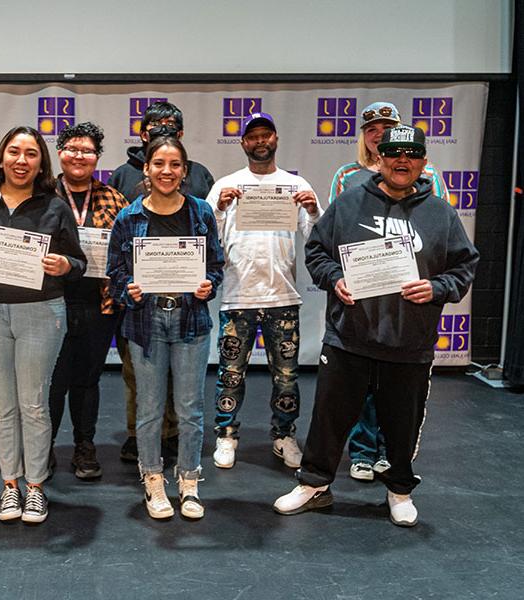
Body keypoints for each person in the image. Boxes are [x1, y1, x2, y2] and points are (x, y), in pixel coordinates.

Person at [274, 125, 478, 527]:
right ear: (380, 158)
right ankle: (314, 484)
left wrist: (437, 287)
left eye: (411, 154)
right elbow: (316, 251)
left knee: (403, 424)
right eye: (394, 153)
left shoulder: (440, 213)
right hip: (350, 337)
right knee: (329, 418)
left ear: (422, 162)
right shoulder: (350, 203)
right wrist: (335, 278)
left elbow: (464, 265)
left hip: (409, 343)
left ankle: (399, 490)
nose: (402, 161)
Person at [0, 126, 86, 523]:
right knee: (3, 408)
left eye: (30, 154)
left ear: (40, 161)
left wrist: (65, 265)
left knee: (34, 405)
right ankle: (10, 485)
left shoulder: (54, 206)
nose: (21, 161)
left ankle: (36, 486)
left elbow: (78, 263)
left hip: (41, 312)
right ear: (1, 157)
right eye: (14, 152)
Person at [329, 101, 452, 482]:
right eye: (371, 129)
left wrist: (433, 284)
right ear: (365, 137)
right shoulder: (347, 176)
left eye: (387, 127)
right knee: (362, 380)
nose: (379, 133)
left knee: (399, 386)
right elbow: (333, 233)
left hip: (409, 296)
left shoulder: (426, 173)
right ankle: (364, 452)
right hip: (365, 293)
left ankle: (392, 454)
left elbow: (442, 229)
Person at [107, 136, 224, 520]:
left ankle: (189, 481)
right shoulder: (128, 218)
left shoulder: (201, 213)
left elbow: (216, 265)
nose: (167, 171)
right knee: (150, 410)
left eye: (175, 164)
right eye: (159, 163)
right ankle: (153, 480)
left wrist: (208, 284)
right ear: (147, 169)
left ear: (184, 171)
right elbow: (115, 275)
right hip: (146, 320)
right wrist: (129, 289)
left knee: (190, 410)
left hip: (191, 319)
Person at [205, 112, 322, 470]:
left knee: (286, 377)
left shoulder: (294, 185)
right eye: (252, 136)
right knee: (230, 374)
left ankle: (284, 435)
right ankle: (226, 435)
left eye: (266, 135)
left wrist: (314, 209)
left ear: (275, 140)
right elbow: (209, 241)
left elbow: (316, 237)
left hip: (282, 297)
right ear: (243, 143)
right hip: (238, 297)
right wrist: (221, 209)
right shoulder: (226, 184)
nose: (260, 141)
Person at [47, 122, 129, 480]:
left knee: (87, 380)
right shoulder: (43, 196)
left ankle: (85, 446)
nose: (80, 156)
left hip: (98, 304)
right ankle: (41, 448)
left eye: (88, 151)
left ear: (97, 157)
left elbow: (128, 248)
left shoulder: (114, 198)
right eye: (73, 149)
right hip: (49, 302)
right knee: (51, 381)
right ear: (60, 153)